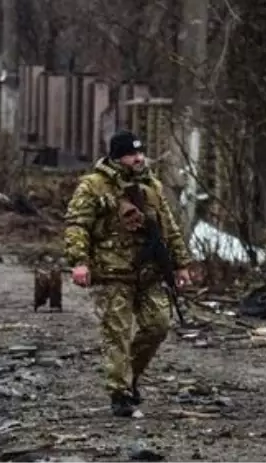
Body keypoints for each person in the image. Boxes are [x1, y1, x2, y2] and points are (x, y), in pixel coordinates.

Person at [63, 130, 196, 417]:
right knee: (118, 333)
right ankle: (120, 392)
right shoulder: (94, 187)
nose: (138, 158)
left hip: (149, 273)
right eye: (131, 154)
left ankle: (129, 375)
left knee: (158, 325)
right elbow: (77, 225)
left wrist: (181, 264)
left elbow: (169, 229)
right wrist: (79, 261)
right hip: (114, 272)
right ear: (116, 156)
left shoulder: (152, 186)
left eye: (140, 152)